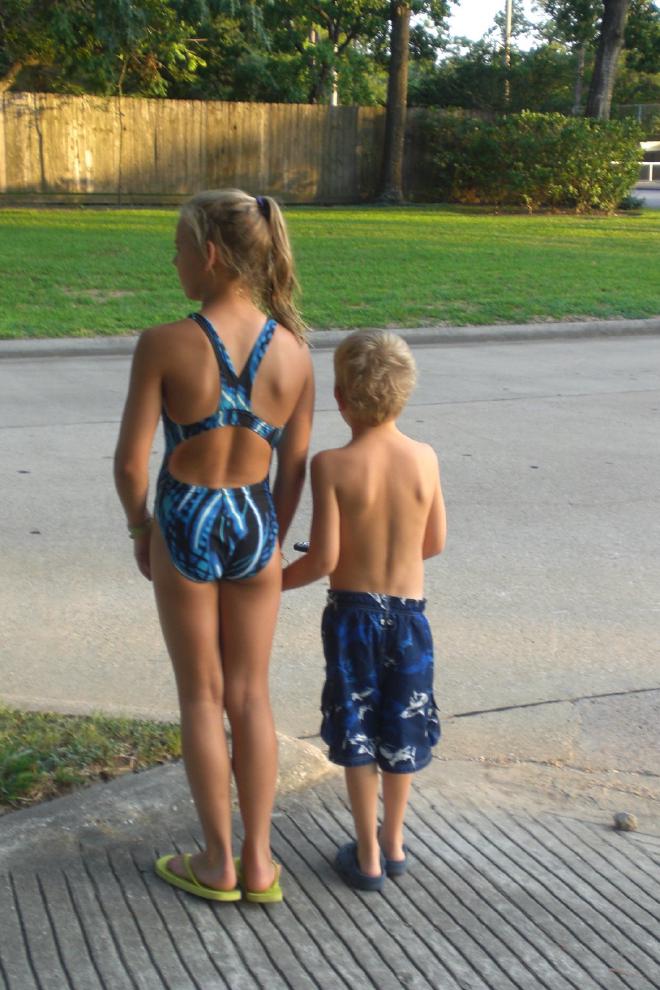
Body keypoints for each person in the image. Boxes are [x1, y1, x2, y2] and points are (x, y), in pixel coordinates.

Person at [114, 189, 314, 903]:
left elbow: (131, 465)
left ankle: (216, 863)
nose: (172, 263)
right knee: (250, 695)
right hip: (255, 519)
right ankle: (259, 864)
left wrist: (143, 529)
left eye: (176, 250)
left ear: (207, 255)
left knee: (202, 696)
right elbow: (293, 467)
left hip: (187, 518)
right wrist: (272, 541)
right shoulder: (294, 351)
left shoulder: (164, 343)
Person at [282, 329, 446, 892]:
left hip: (352, 617)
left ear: (340, 398)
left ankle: (367, 855)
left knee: (356, 727)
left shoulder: (331, 465)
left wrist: (273, 583)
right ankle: (394, 842)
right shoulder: (425, 458)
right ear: (405, 394)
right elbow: (433, 542)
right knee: (402, 724)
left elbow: (324, 559)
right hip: (410, 617)